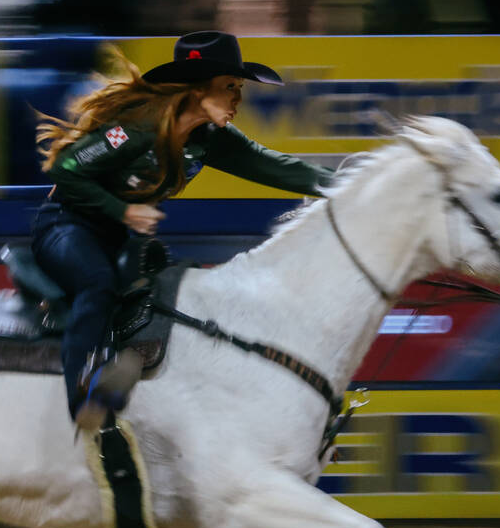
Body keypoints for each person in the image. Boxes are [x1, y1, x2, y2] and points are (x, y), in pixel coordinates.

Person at [33, 30, 335, 431]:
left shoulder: (210, 139)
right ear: (197, 89)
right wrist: (123, 210)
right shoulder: (136, 127)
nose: (238, 99)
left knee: (168, 294)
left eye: (239, 88)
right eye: (230, 87)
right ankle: (83, 402)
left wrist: (354, 185)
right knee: (97, 282)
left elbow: (278, 167)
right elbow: (66, 169)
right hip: (66, 225)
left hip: (121, 239)